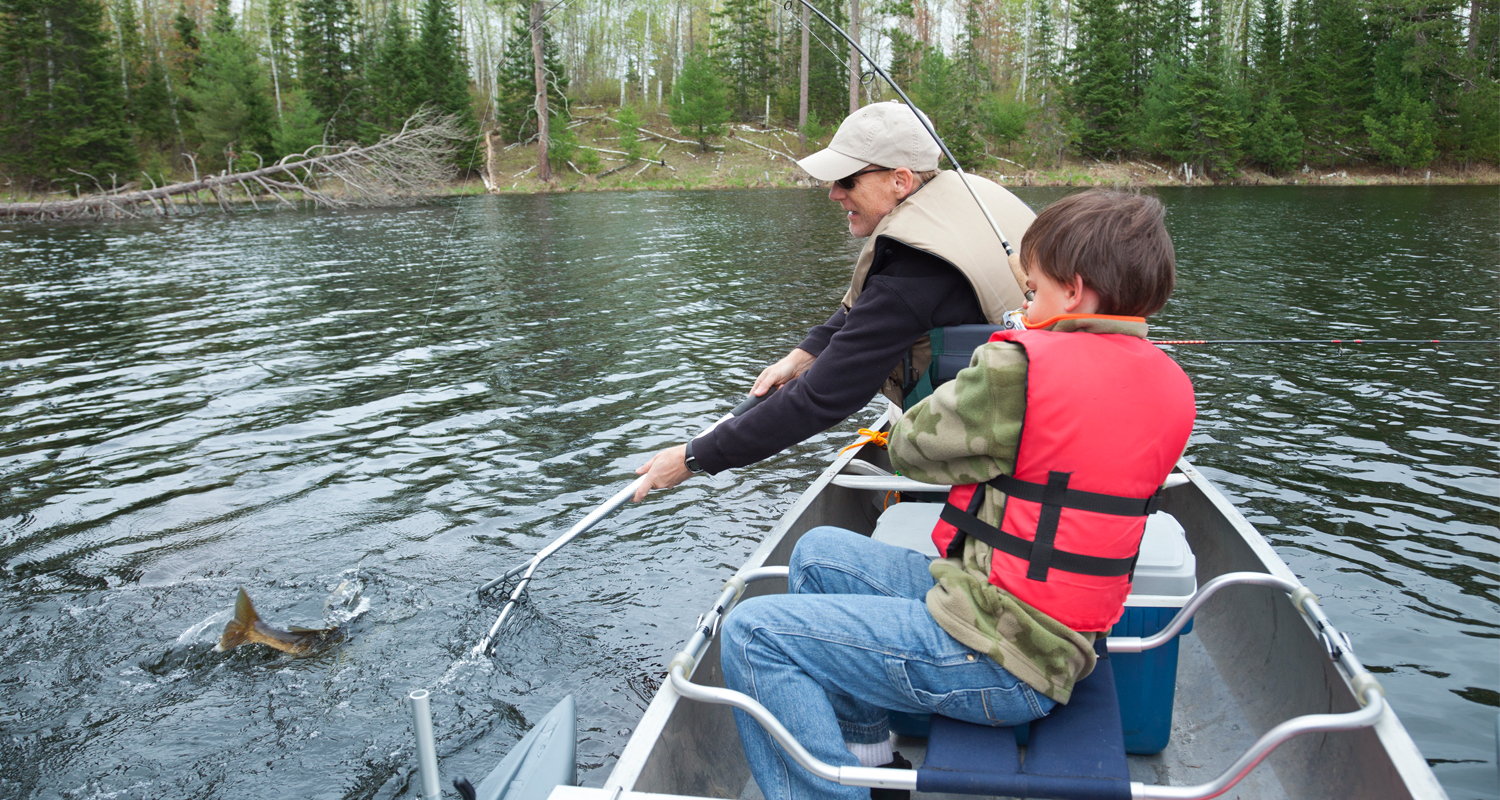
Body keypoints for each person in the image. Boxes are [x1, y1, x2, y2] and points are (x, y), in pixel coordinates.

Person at [718, 190, 1197, 800]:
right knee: (817, 556)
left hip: (1000, 658)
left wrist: (997, 354)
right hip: (1046, 633)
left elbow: (909, 448)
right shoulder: (1170, 384)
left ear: (1073, 292)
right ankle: (871, 760)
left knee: (751, 632)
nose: (1025, 305)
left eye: (1032, 292)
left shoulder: (1017, 370)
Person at [631, 101, 1036, 502]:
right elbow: (866, 311)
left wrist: (693, 458)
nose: (834, 194)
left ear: (900, 180)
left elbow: (819, 398)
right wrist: (803, 355)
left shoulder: (916, 270)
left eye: (847, 180)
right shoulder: (964, 200)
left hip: (999, 463)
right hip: (1026, 417)